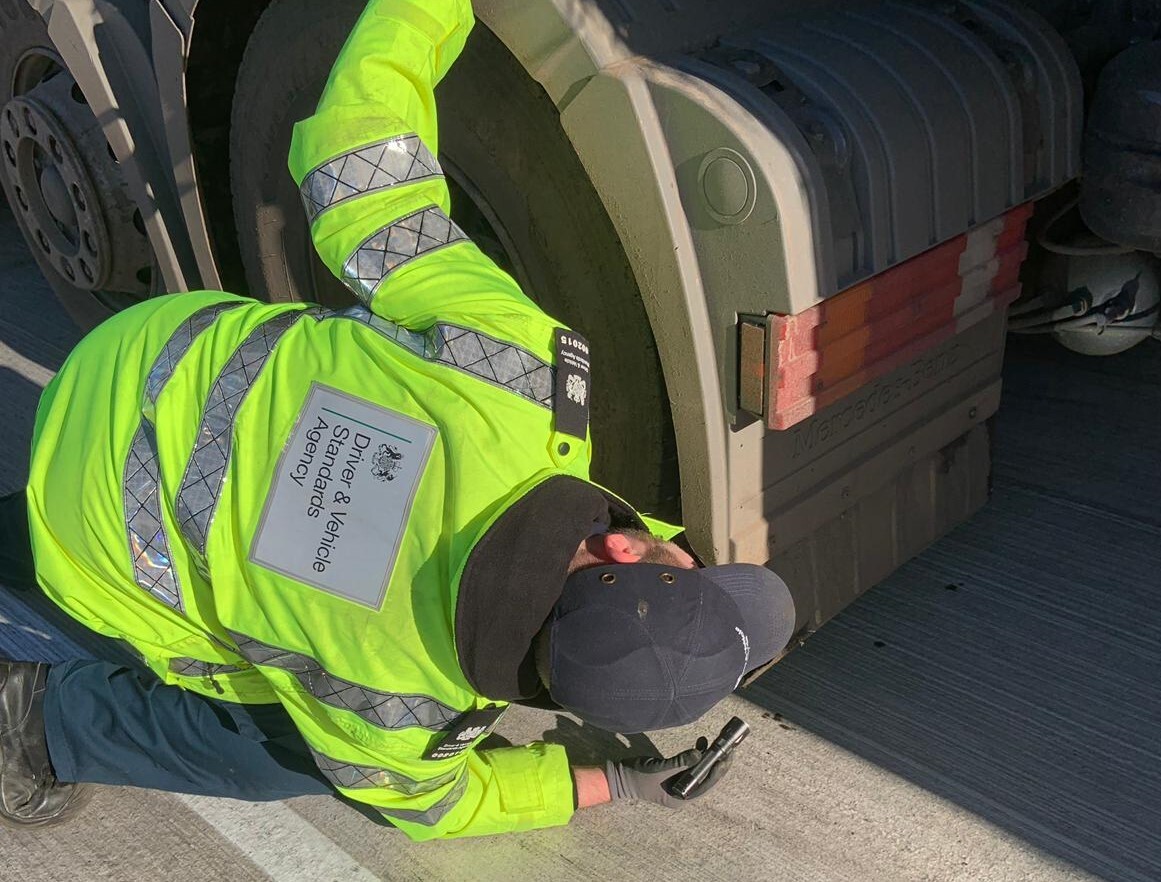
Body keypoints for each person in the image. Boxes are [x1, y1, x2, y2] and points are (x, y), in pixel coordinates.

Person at [0, 0, 795, 839]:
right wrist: (614, 787)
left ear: (623, 549)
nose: (695, 556)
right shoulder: (400, 706)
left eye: (697, 571)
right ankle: (40, 725)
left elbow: (356, 160)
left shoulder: (516, 376)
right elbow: (438, 805)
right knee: (294, 749)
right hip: (93, 540)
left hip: (138, 361)